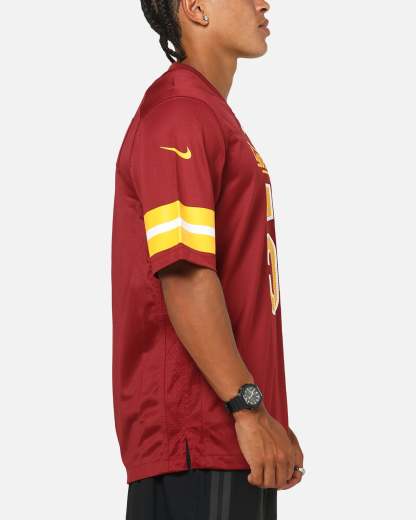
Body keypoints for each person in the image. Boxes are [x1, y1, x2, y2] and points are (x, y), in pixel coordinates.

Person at [111, 1, 305, 518]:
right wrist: (249, 407)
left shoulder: (207, 113)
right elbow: (185, 274)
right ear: (196, 8)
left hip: (228, 436)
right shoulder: (179, 114)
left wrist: (265, 414)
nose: (263, 3)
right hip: (198, 437)